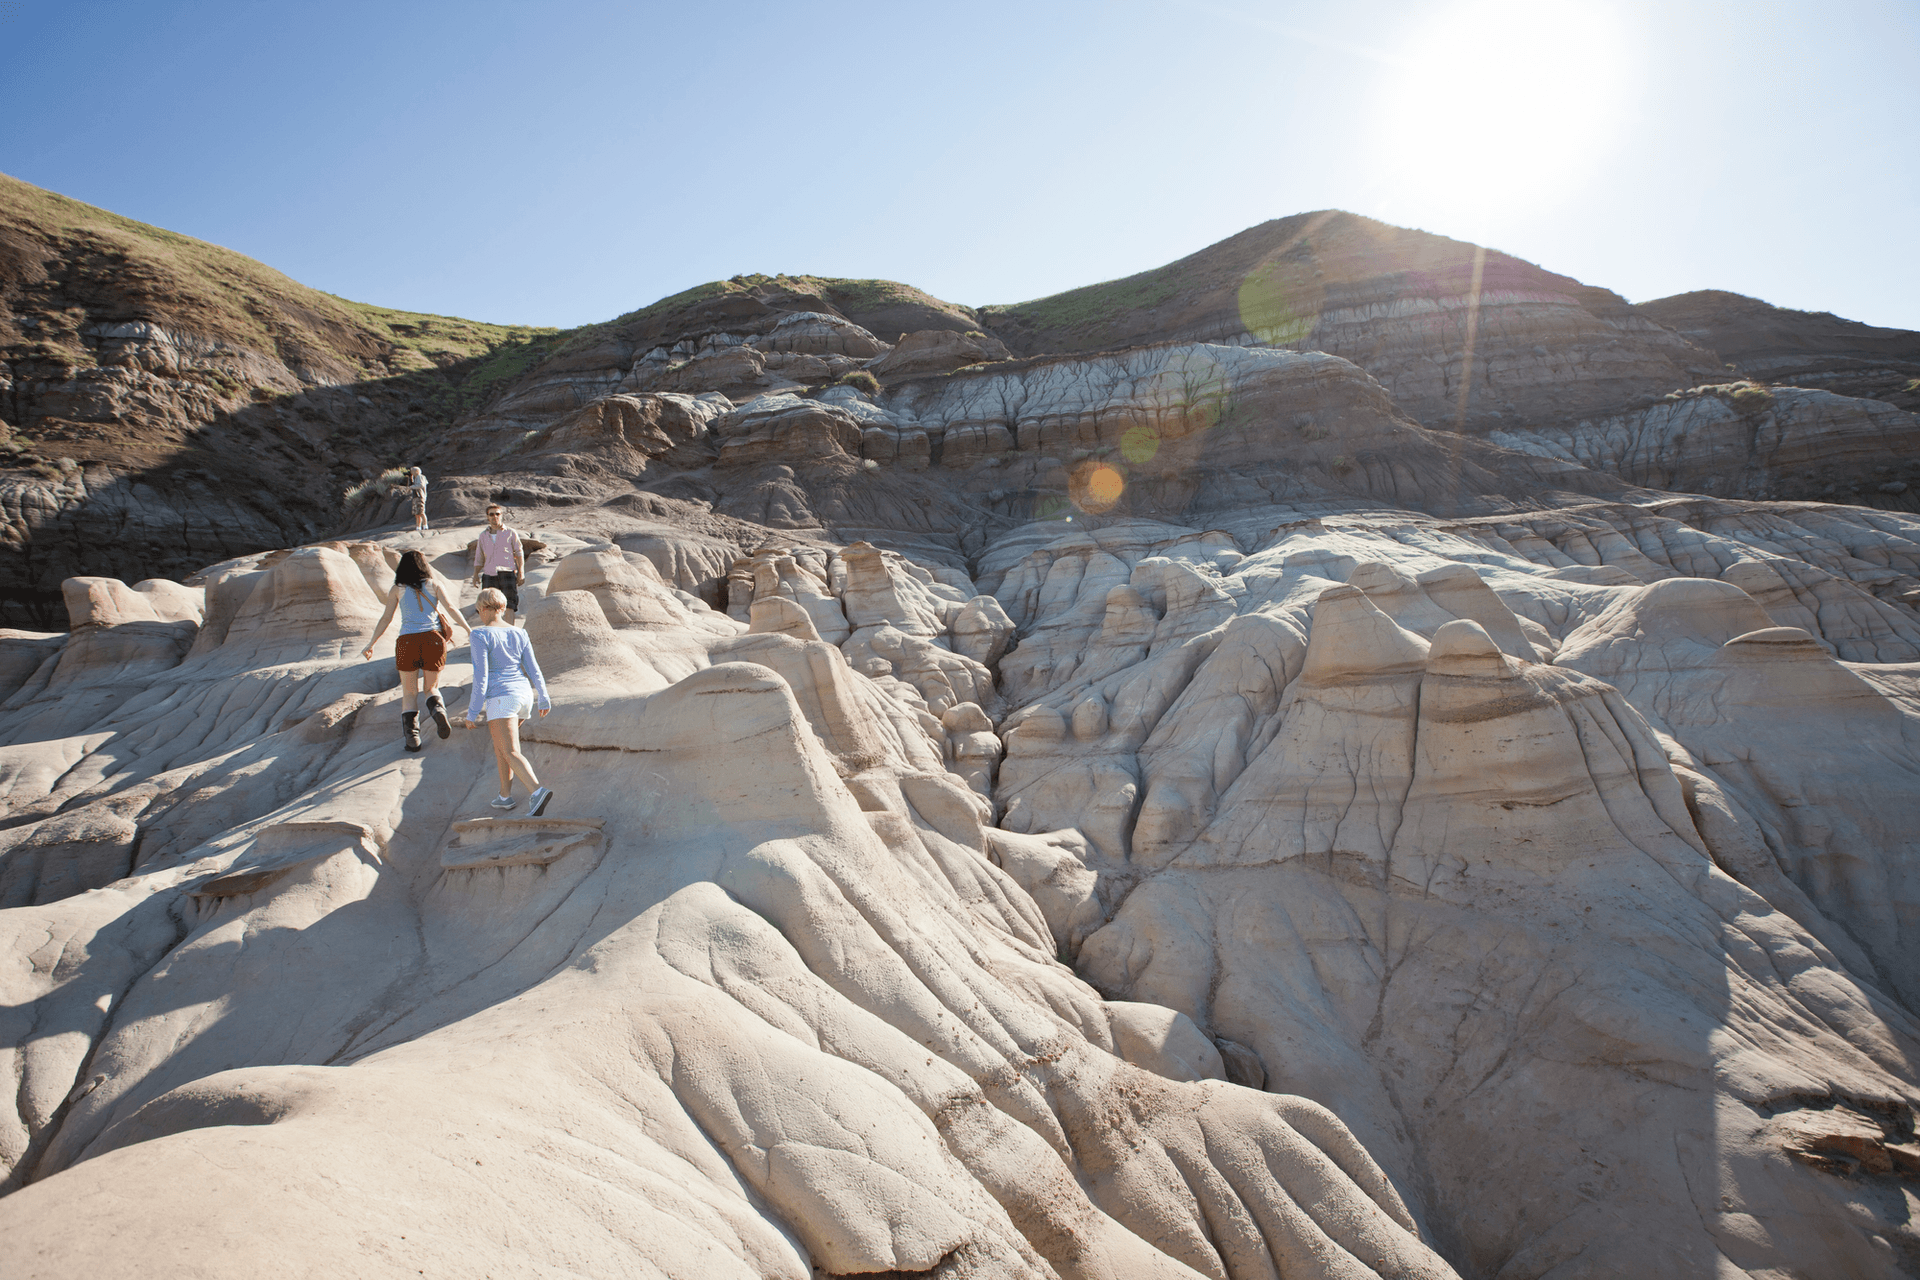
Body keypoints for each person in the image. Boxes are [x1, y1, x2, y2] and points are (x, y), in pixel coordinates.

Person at [362, 549, 470, 751]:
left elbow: (386, 618)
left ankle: (412, 739)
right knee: (431, 688)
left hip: (407, 642)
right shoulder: (435, 585)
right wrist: (468, 629)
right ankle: (438, 710)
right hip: (433, 640)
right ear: (424, 566)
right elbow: (452, 609)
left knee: (409, 692)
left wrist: (371, 644)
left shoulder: (397, 589)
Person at [463, 587, 554, 814]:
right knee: (502, 747)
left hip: (501, 697)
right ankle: (505, 796)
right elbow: (533, 668)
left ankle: (537, 791)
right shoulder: (519, 632)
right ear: (503, 608)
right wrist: (543, 697)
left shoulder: (479, 635)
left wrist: (472, 711)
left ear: (482, 609)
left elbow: (481, 677)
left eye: (478, 610)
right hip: (523, 696)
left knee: (511, 750)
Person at [469, 503, 526, 624]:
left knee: (510, 604)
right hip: (489, 574)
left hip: (507, 572)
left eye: (497, 514)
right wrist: (475, 575)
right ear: (487, 517)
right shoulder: (483, 536)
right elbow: (479, 556)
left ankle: (509, 633)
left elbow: (519, 553)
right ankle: (493, 632)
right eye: (492, 514)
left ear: (501, 515)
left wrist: (521, 572)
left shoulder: (511, 533)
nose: (495, 516)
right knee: (488, 605)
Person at [407, 466, 430, 533]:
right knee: (417, 513)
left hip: (420, 496)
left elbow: (421, 485)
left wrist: (412, 487)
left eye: (412, 471)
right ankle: (418, 526)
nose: (411, 472)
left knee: (421, 512)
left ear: (416, 471)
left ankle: (425, 525)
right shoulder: (415, 478)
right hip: (416, 496)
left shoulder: (420, 476)